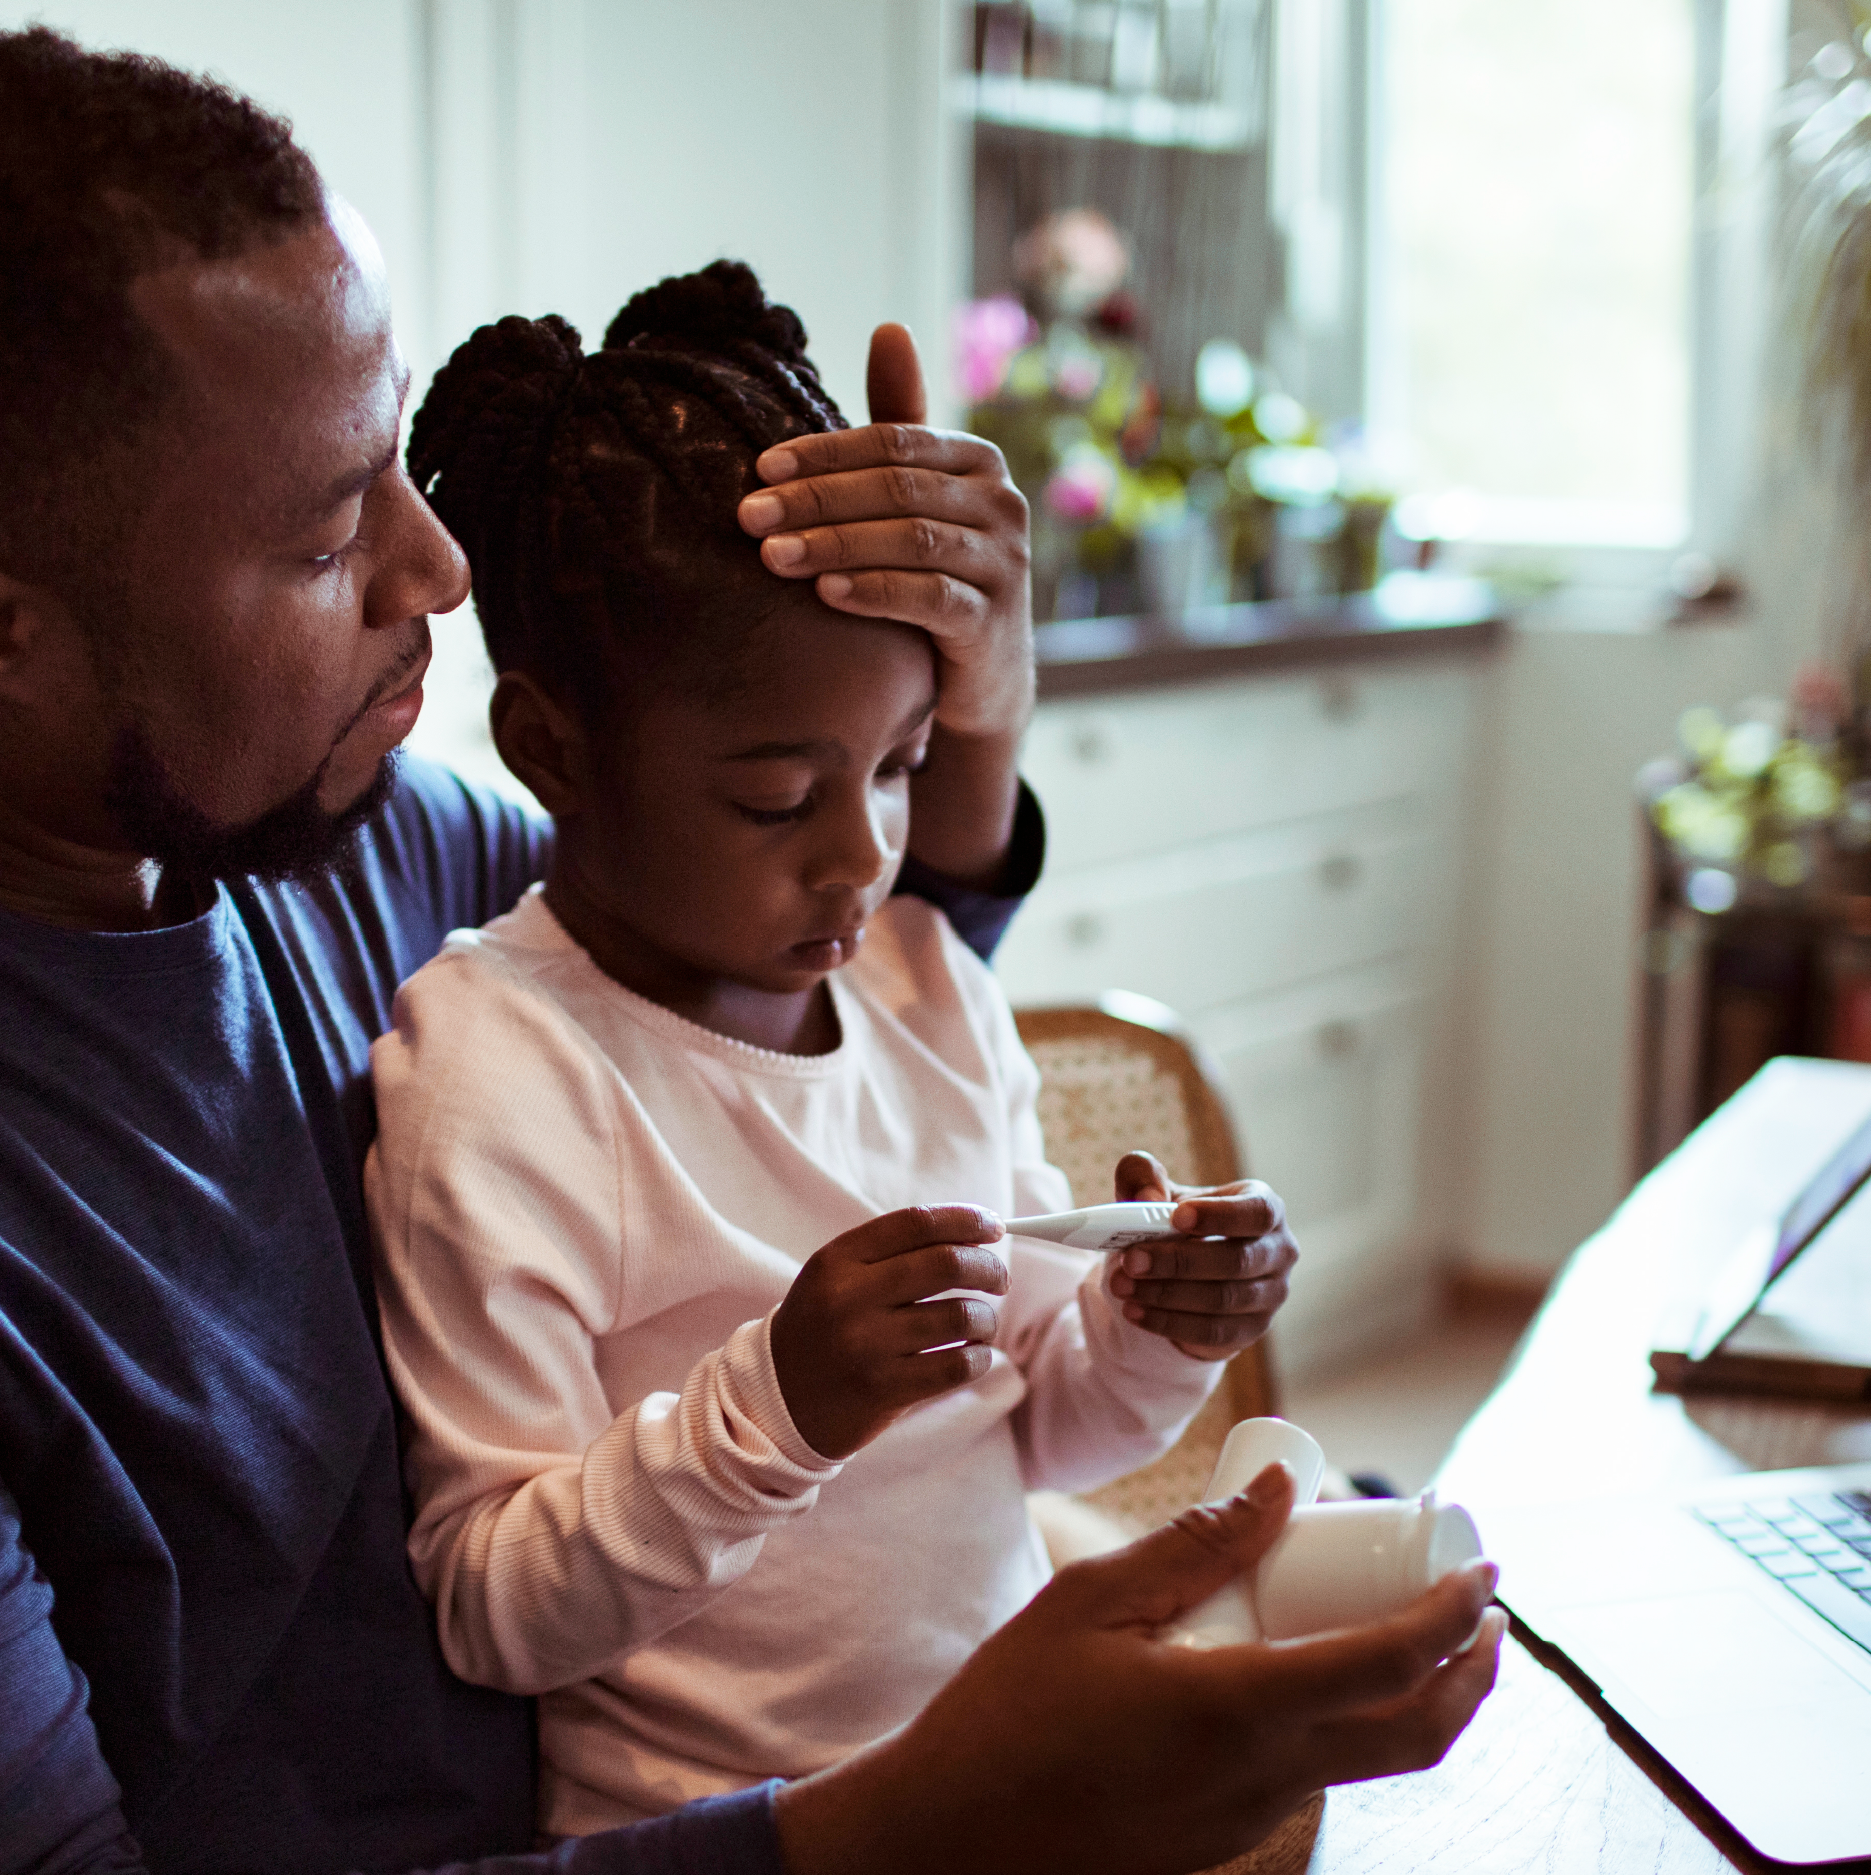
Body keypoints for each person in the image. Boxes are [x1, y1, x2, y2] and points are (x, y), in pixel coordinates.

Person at [0, 26, 1497, 1875]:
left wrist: (968, 709)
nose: (436, 567)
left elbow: (776, 973)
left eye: (397, 463)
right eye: (326, 537)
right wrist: (906, 1825)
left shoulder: (330, 834)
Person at [373, 267, 1250, 1836]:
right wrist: (776, 1405)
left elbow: (1043, 1427)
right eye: (779, 798)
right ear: (550, 748)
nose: (863, 857)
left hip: (1015, 1797)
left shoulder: (926, 987)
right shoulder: (500, 1071)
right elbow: (491, 1608)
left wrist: (1149, 1328)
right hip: (741, 1842)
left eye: (904, 766)